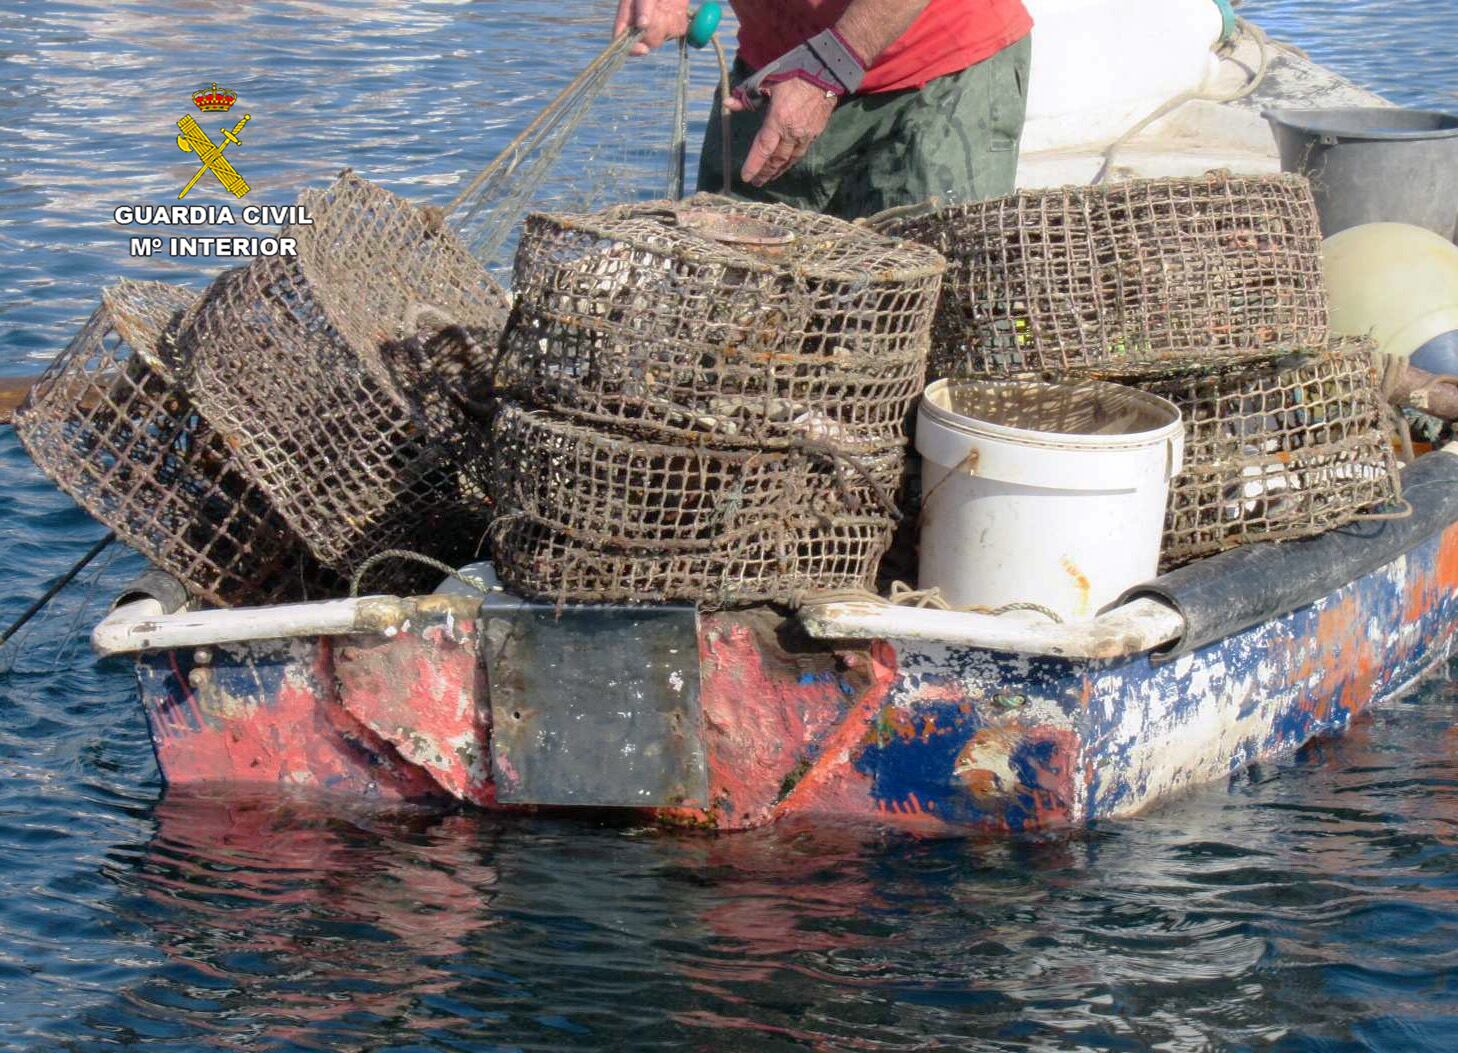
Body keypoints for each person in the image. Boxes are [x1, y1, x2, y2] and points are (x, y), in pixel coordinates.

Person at [613, 0, 1033, 221]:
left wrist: (831, 66)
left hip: (936, 73)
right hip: (775, 68)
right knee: (732, 304)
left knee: (926, 306)